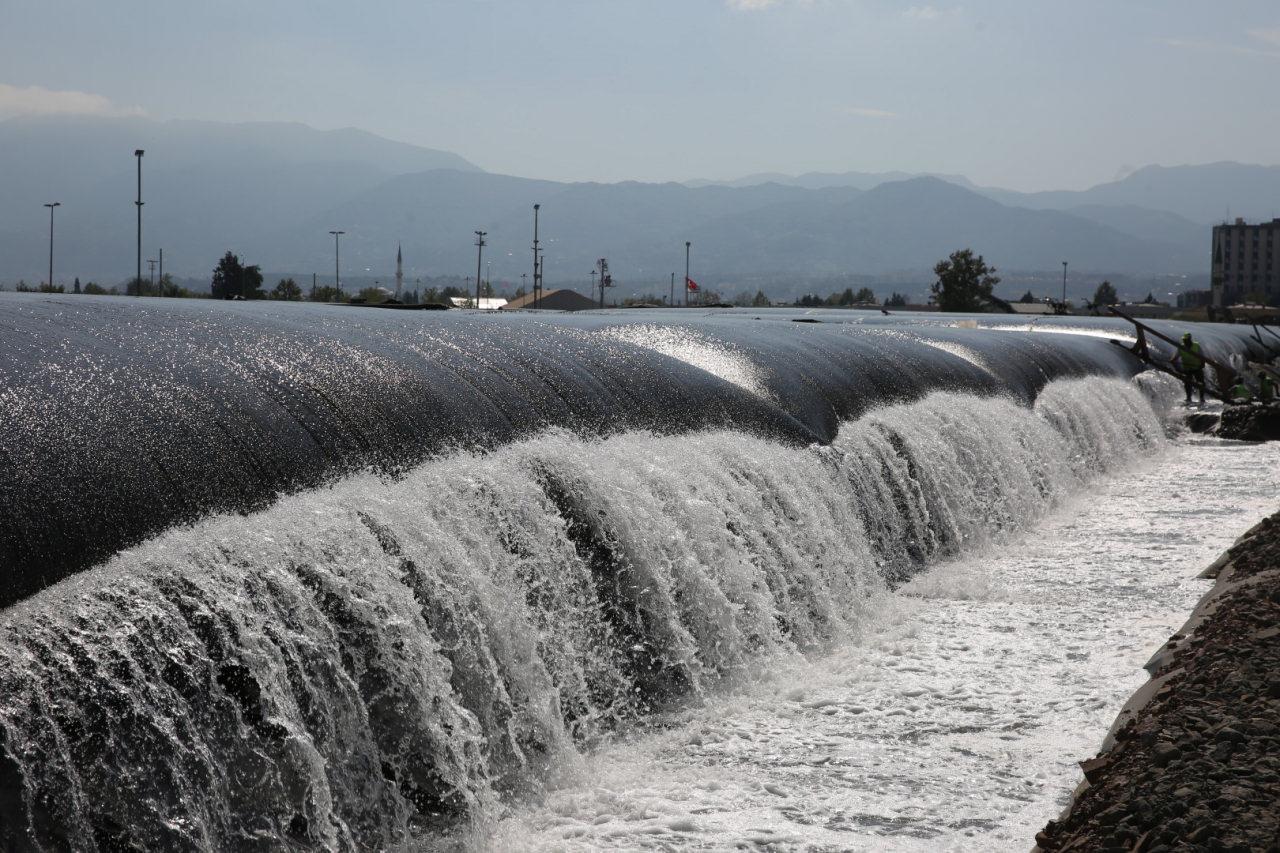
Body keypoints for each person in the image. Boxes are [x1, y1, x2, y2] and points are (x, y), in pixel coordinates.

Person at [1171, 332, 1205, 406]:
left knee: (1201, 382)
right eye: (1184, 340)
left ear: (1190, 339)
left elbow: (1202, 357)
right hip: (1187, 368)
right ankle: (1188, 398)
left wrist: (1202, 365)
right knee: (1187, 383)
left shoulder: (1196, 345)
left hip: (1197, 367)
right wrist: (1176, 367)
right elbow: (1174, 358)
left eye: (1186, 340)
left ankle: (1202, 398)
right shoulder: (1181, 347)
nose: (1184, 341)